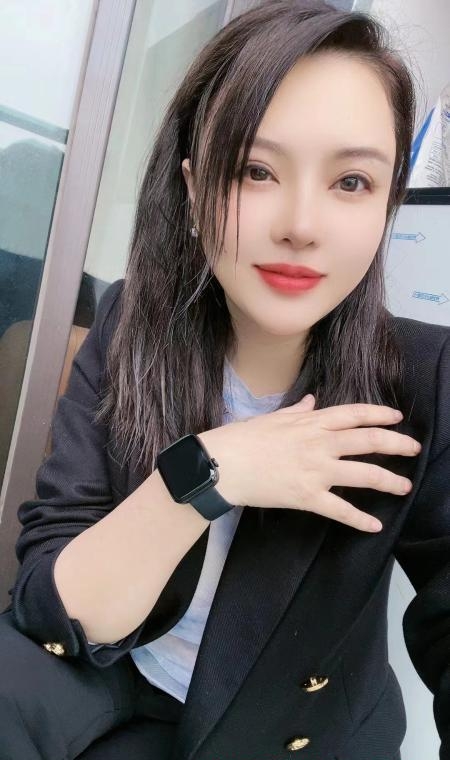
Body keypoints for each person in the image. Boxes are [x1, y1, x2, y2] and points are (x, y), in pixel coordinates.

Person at [1, 1, 449, 758]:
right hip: (117, 685)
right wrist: (210, 474)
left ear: (387, 205)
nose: (301, 224)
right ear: (191, 186)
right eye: (255, 170)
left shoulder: (425, 377)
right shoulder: (132, 324)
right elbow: (52, 603)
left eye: (351, 182)